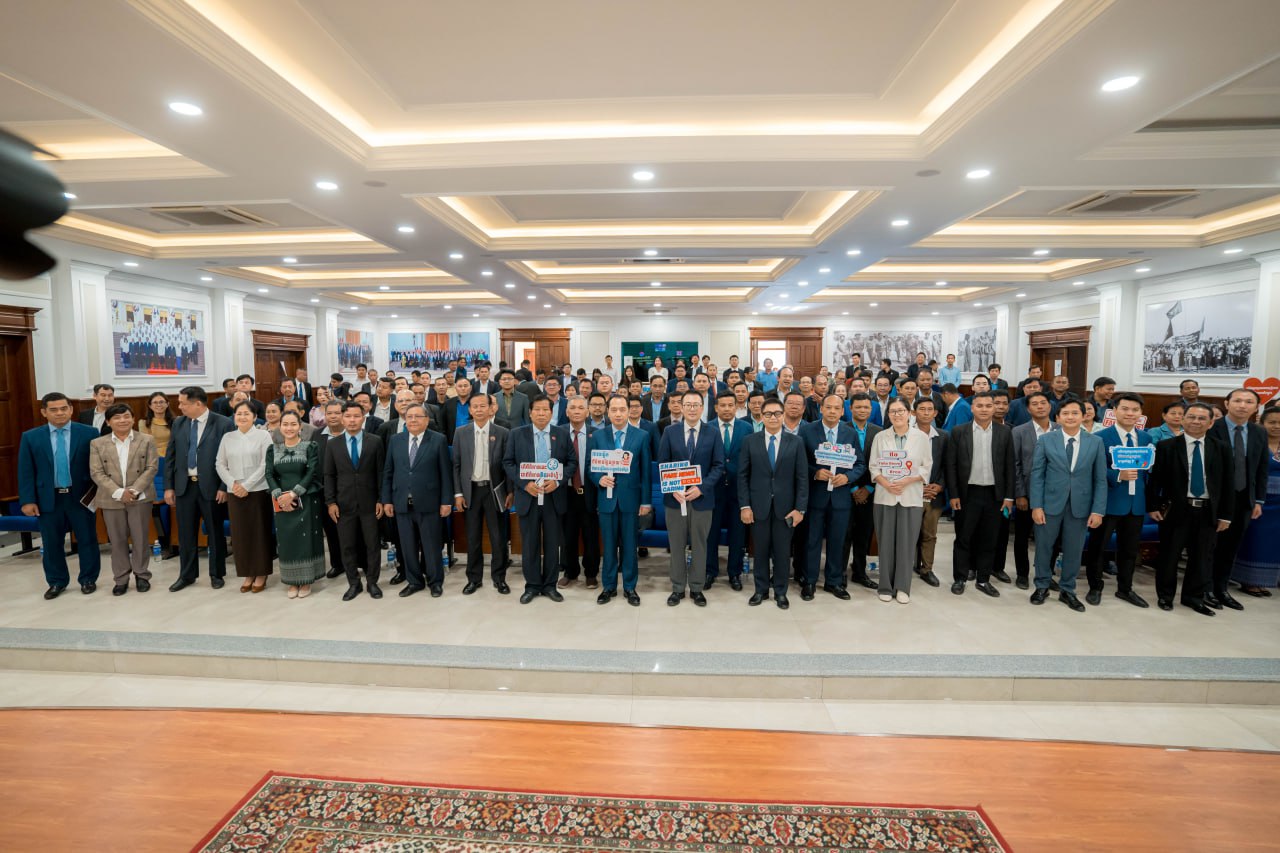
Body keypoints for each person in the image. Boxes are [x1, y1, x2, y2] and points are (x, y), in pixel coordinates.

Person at [1148, 403, 1233, 616]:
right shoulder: (1167, 446)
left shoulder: (1221, 447)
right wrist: (1153, 506)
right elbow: (1156, 479)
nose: (1196, 421)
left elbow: (1227, 484)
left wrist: (1226, 515)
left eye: (1202, 418)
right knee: (1169, 556)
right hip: (1177, 510)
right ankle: (1165, 596)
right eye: (1192, 417)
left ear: (1211, 423)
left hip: (1207, 511)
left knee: (1201, 558)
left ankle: (1193, 597)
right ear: (1183, 419)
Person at [20, 392, 104, 600]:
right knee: (51, 543)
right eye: (54, 409)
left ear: (71, 409)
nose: (59, 413)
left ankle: (88, 579)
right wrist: (28, 500)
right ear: (44, 412)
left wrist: (97, 494)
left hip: (81, 497)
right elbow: (26, 471)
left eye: (64, 408)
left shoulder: (89, 433)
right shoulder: (31, 437)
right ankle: (57, 582)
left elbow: (98, 466)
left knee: (87, 539)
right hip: (48, 498)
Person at [1028, 399, 1107, 612]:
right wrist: (1036, 506)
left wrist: (1098, 510)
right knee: (1044, 547)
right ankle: (1042, 586)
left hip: (1080, 506)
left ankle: (1067, 590)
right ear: (1058, 417)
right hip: (1049, 504)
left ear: (1083, 416)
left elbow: (1100, 479)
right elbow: (1037, 475)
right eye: (1065, 413)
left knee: (1074, 549)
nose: (1070, 417)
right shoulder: (1046, 440)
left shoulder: (1095, 442)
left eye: (1075, 413)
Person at [1084, 393, 1153, 609]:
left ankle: (1125, 588)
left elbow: (1148, 472)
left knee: (1130, 550)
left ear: (1140, 413)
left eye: (1135, 410)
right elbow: (1091, 468)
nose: (1130, 413)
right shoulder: (1100, 437)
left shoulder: (1146, 438)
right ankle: (1095, 587)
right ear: (1114, 411)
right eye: (1125, 409)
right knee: (1098, 548)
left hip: (1136, 503)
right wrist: (1117, 475)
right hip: (1108, 502)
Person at [505, 395, 577, 604]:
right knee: (530, 544)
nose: (541, 413)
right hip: (529, 496)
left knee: (553, 544)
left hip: (554, 497)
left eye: (546, 410)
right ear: (530, 412)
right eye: (537, 409)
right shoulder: (517, 434)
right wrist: (524, 484)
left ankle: (550, 585)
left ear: (551, 413)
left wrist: (558, 481)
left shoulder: (561, 434)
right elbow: (508, 463)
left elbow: (572, 462)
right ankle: (532, 585)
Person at [738, 398, 807, 609]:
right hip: (758, 507)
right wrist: (745, 506)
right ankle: (760, 590)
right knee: (760, 551)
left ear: (783, 415)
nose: (773, 417)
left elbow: (802, 478)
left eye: (777, 413)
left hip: (786, 509)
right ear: (762, 416)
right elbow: (742, 476)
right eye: (768, 414)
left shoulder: (796, 442)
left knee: (782, 553)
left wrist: (800, 508)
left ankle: (780, 591)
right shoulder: (750, 441)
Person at [658, 391, 725, 607]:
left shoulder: (713, 433)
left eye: (696, 404)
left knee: (700, 545)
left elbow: (718, 466)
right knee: (676, 545)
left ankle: (697, 587)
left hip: (701, 500)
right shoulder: (670, 432)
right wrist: (672, 488)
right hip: (675, 500)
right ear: (681, 406)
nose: (692, 408)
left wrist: (702, 488)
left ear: (703, 407)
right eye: (688, 404)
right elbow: (663, 463)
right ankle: (677, 588)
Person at [946, 392, 1015, 597]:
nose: (984, 409)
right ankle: (960, 578)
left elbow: (1010, 467)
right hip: (967, 494)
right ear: (972, 408)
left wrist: (1009, 497)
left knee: (989, 539)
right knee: (963, 537)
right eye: (980, 405)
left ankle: (983, 580)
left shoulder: (1005, 432)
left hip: (995, 495)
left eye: (988, 405)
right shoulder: (959, 431)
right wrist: (954, 494)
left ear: (994, 408)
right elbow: (951, 465)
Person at [164, 386, 233, 591]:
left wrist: (224, 486)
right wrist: (169, 487)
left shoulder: (223, 423)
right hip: (184, 487)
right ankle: (187, 575)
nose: (179, 407)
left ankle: (216, 574)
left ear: (198, 404)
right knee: (186, 535)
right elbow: (170, 456)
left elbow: (230, 458)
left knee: (215, 533)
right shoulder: (179, 423)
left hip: (212, 487)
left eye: (183, 403)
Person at [383, 403, 453, 598]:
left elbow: (445, 473)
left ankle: (435, 582)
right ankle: (414, 581)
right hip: (401, 503)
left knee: (431, 546)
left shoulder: (438, 440)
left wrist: (446, 501)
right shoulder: (396, 440)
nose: (413, 420)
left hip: (429, 502)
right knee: (407, 546)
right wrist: (387, 500)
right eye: (409, 417)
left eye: (418, 416)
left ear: (427, 420)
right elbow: (388, 472)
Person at [89, 404, 159, 596]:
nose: (123, 420)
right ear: (108, 422)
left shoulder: (146, 439)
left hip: (140, 497)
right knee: (117, 540)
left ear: (133, 419)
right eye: (117, 417)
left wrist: (134, 490)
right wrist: (119, 492)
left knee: (140, 538)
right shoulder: (97, 443)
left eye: (126, 416)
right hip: (111, 498)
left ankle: (142, 575)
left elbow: (151, 467)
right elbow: (96, 472)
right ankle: (121, 579)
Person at [589, 395, 652, 606]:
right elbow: (590, 466)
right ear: (607, 412)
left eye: (622, 410)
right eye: (614, 410)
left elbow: (646, 472)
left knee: (630, 546)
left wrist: (646, 502)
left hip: (631, 500)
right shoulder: (598, 436)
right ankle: (608, 586)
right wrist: (599, 478)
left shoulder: (642, 436)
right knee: (608, 546)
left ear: (629, 411)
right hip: (606, 500)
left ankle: (629, 587)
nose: (618, 414)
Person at [801, 394, 865, 600]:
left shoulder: (850, 433)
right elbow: (798, 462)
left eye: (837, 408)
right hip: (815, 496)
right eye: (828, 407)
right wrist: (815, 473)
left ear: (842, 411)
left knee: (837, 541)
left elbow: (860, 464)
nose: (832, 411)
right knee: (812, 541)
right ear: (821, 408)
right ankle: (809, 580)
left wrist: (847, 478)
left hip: (840, 497)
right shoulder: (807, 430)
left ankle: (834, 581)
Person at [1209, 388, 1268, 611]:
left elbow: (1261, 469)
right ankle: (1204, 589)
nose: (1242, 405)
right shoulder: (1212, 427)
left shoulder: (1258, 432)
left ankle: (1221, 589)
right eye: (1238, 400)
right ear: (1227, 403)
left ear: (1256, 407)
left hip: (1244, 498)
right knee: (1209, 546)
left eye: (1249, 402)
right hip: (1215, 498)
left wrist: (1258, 500)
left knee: (1230, 547)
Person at [867, 398, 931, 603]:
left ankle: (903, 587)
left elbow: (926, 467)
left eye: (901, 410)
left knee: (907, 543)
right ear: (888, 415)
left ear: (909, 413)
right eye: (893, 411)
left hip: (910, 496)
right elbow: (873, 467)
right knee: (885, 542)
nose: (897, 415)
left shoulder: (921, 437)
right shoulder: (880, 437)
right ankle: (885, 586)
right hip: (885, 496)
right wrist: (886, 483)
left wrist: (907, 480)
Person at [324, 402, 387, 601]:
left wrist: (381, 499)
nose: (352, 420)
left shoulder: (375, 441)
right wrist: (331, 502)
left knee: (372, 544)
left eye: (356, 416)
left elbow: (381, 473)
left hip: (370, 503)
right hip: (343, 504)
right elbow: (329, 475)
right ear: (342, 419)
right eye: (348, 416)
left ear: (363, 418)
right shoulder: (333, 444)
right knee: (347, 545)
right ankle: (354, 583)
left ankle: (372, 582)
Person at [453, 393, 512, 595]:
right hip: (471, 491)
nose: (479, 410)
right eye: (475, 406)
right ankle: (474, 579)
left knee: (498, 538)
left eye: (482, 406)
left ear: (491, 408)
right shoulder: (461, 432)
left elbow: (508, 465)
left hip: (494, 491)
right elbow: (456, 465)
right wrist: (458, 493)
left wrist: (510, 491)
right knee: (473, 538)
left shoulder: (502, 432)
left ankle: (499, 578)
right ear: (470, 410)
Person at [216, 402, 275, 593]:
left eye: (246, 414)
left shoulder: (263, 435)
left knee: (259, 533)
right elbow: (219, 464)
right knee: (240, 535)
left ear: (254, 417)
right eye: (238, 413)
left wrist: (247, 486)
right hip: (234, 492)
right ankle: (248, 573)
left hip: (258, 491)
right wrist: (232, 484)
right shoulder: (228, 437)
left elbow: (266, 463)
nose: (242, 417)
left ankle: (261, 573)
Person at [266, 410, 325, 598]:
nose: (289, 428)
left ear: (300, 427)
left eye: (293, 424)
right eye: (285, 424)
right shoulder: (272, 449)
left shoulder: (310, 447)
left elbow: (311, 472)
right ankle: (291, 581)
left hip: (306, 499)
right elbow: (269, 474)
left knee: (305, 540)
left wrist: (293, 494)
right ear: (280, 427)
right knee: (287, 541)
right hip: (281, 503)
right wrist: (279, 496)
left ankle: (306, 581)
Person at [1231, 406, 1280, 596]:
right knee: (1254, 540)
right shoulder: (1253, 442)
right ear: (1262, 423)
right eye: (1272, 422)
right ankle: (1248, 580)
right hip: (1258, 499)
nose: (1276, 426)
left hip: (1279, 505)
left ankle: (1265, 580)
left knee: (1273, 543)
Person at [705, 394, 752, 590]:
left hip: (738, 490)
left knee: (737, 535)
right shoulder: (707, 428)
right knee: (711, 533)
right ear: (716, 408)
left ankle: (735, 573)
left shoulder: (746, 428)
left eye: (730, 405)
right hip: (712, 490)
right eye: (722, 405)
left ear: (736, 407)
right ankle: (710, 571)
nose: (726, 409)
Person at [1010, 392, 1056, 589]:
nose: (1040, 406)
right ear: (1028, 409)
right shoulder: (1019, 431)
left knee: (1051, 538)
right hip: (1027, 493)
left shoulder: (1060, 429)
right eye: (1035, 404)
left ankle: (1046, 574)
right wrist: (1020, 493)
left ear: (1050, 406)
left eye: (1043, 403)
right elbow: (1015, 464)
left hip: (1055, 494)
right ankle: (1022, 574)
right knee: (1022, 536)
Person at [558, 397, 600, 590]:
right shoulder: (558, 433)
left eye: (581, 408)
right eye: (572, 408)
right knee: (568, 535)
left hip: (589, 491)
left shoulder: (596, 434)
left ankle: (591, 574)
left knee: (591, 535)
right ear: (567, 412)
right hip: (565, 491)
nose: (576, 411)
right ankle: (570, 572)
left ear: (587, 412)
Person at [842, 393, 881, 590]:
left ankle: (859, 572)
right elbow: (839, 463)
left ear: (871, 409)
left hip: (870, 491)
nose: (862, 410)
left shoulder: (879, 432)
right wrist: (854, 488)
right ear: (850, 408)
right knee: (844, 534)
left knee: (864, 534)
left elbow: (882, 463)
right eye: (858, 407)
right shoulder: (842, 429)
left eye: (866, 407)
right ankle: (840, 572)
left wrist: (868, 488)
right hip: (845, 490)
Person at [912, 397, 947, 588]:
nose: (926, 413)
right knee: (909, 533)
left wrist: (940, 485)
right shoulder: (907, 434)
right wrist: (917, 486)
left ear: (935, 413)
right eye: (922, 409)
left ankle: (927, 569)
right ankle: (906, 566)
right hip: (911, 491)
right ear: (914, 412)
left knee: (930, 534)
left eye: (929, 409)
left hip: (934, 494)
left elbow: (948, 465)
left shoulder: (943, 436)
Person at [138, 391, 176, 557]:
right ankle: (159, 540)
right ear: (150, 405)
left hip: (172, 463)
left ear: (167, 404)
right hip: (154, 464)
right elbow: (146, 444)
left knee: (169, 504)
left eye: (162, 402)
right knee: (155, 504)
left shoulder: (175, 421)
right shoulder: (144, 423)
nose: (159, 405)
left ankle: (172, 542)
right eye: (155, 402)